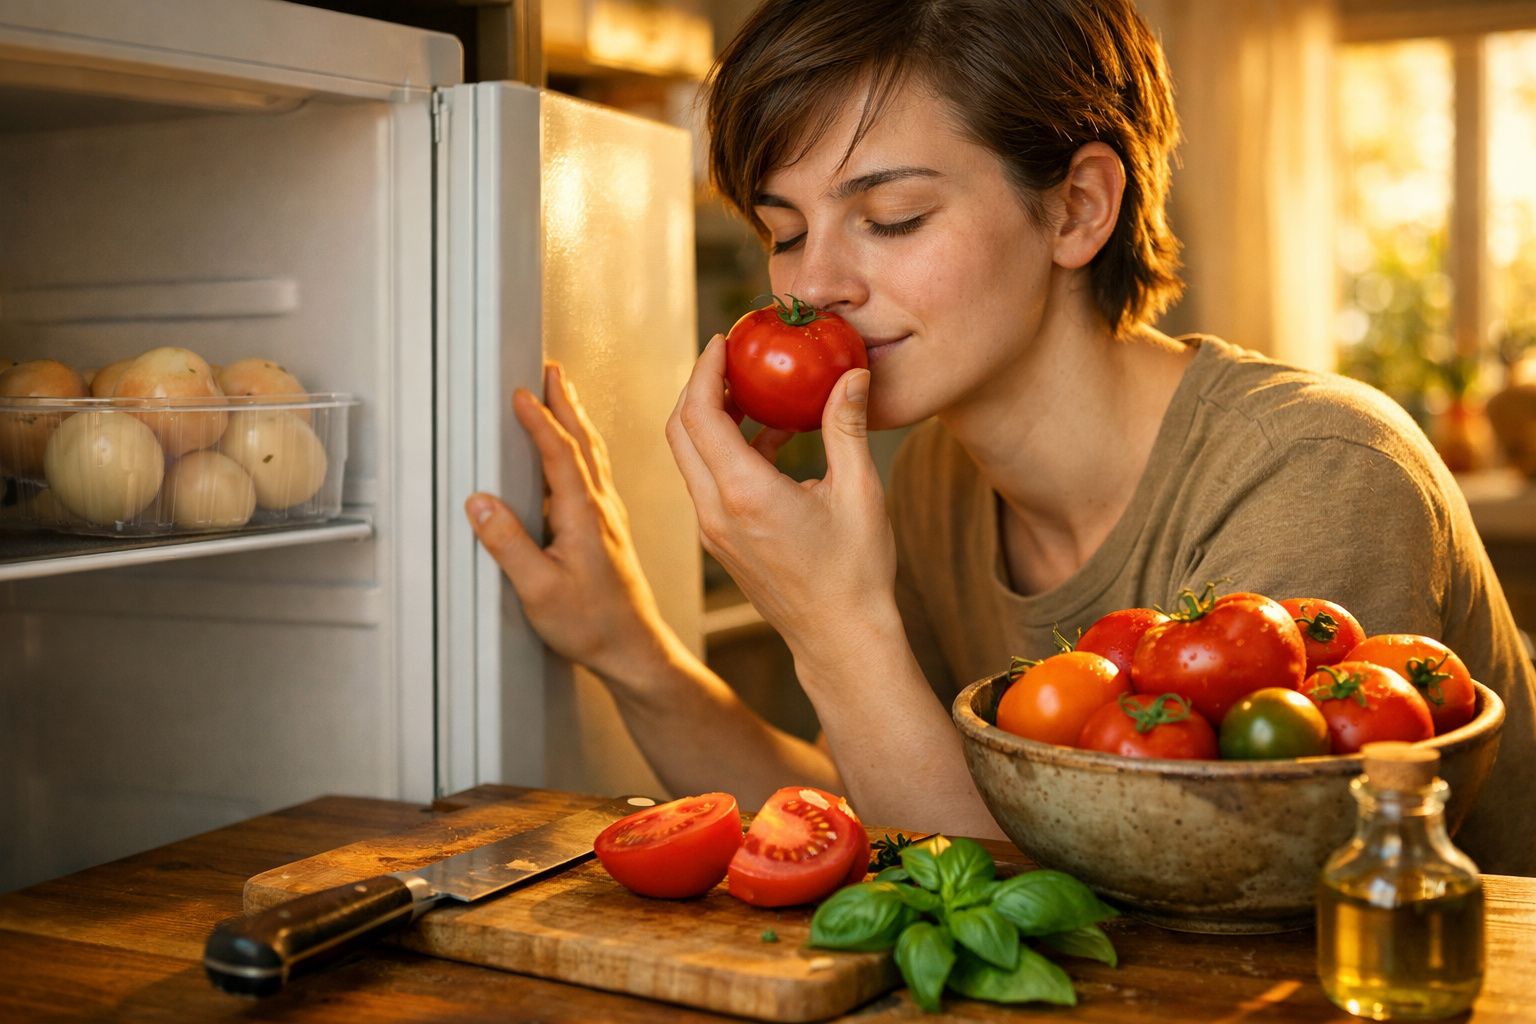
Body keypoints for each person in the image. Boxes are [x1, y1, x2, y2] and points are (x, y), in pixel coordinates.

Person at [463, 0, 1536, 876]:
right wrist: (629, 649)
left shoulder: (1317, 475)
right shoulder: (940, 478)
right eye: (786, 232)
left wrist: (834, 621)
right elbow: (874, 813)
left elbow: (1140, 959)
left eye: (890, 218)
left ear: (1077, 208)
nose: (812, 286)